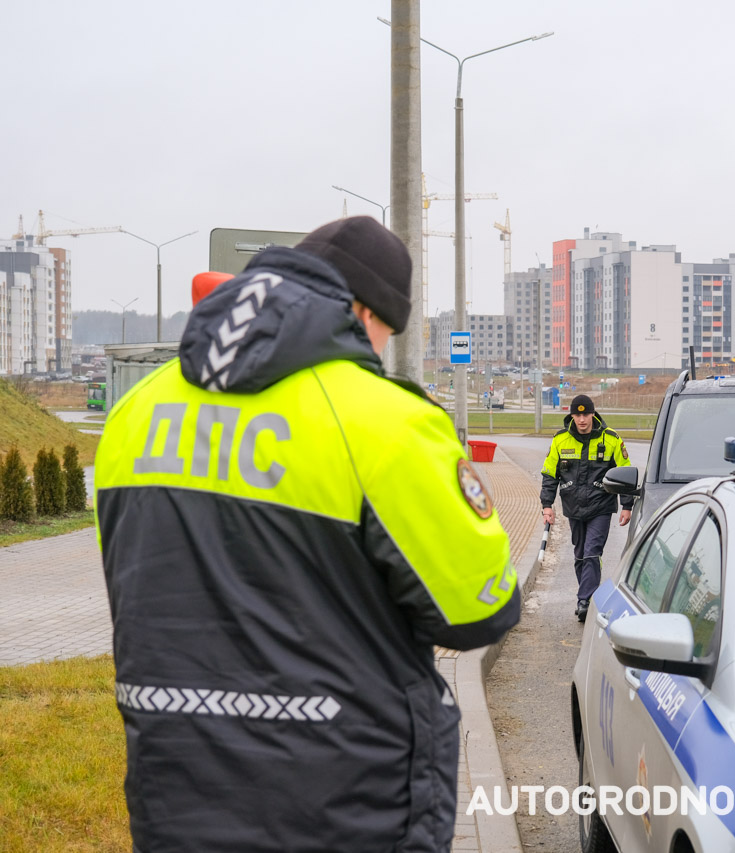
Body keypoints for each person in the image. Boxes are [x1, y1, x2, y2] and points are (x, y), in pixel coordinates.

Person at [95, 215, 519, 852]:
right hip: (346, 799)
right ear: (360, 311)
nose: (377, 351)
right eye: (384, 332)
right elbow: (477, 611)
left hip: (173, 789)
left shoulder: (136, 413)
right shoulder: (387, 422)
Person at [540, 394, 633, 621]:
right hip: (573, 507)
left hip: (601, 507)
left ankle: (585, 599)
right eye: (578, 414)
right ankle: (587, 595)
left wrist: (626, 505)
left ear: (593, 414)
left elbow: (626, 472)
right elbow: (550, 474)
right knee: (580, 554)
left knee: (592, 552)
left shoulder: (611, 439)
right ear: (572, 415)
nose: (582, 419)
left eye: (586, 414)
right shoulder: (560, 440)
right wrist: (547, 505)